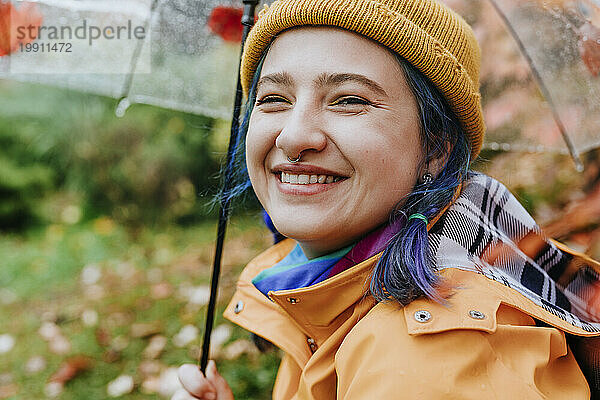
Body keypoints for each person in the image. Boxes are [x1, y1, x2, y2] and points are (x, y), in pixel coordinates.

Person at [173, 0, 600, 398]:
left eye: (350, 100)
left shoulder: (431, 358)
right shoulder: (329, 282)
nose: (293, 135)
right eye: (274, 100)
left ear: (437, 146)